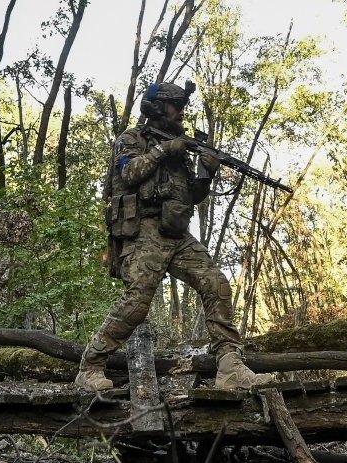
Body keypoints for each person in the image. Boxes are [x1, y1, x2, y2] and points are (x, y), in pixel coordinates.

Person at [75, 81, 273, 392]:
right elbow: (128, 173)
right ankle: (91, 366)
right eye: (174, 105)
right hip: (143, 232)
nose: (181, 112)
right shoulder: (132, 139)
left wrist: (207, 171)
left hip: (177, 233)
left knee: (216, 283)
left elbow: (191, 194)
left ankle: (230, 366)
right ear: (155, 108)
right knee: (137, 304)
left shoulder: (181, 148)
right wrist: (163, 150)